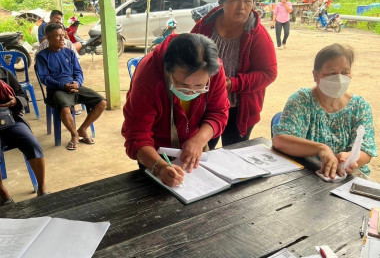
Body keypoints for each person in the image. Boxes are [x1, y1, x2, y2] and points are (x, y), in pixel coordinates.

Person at [122, 33, 230, 187]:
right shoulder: (148, 76)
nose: (191, 92)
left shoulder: (214, 69)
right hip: (154, 151)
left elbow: (218, 113)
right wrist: (159, 168)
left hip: (194, 147)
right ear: (168, 70)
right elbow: (137, 135)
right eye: (183, 85)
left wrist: (199, 140)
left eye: (200, 86)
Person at [191, 0, 277, 150]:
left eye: (247, 1)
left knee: (234, 158)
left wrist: (234, 83)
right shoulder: (205, 27)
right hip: (205, 105)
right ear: (222, 1)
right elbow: (188, 58)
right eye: (235, 1)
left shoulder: (257, 34)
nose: (242, 6)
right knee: (201, 154)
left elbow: (269, 73)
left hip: (239, 110)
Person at [272, 44, 377, 179]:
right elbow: (281, 141)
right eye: (332, 73)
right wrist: (321, 149)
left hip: (347, 178)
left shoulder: (359, 106)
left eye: (345, 72)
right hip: (307, 176)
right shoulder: (301, 101)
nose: (339, 79)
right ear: (316, 75)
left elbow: (366, 151)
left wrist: (349, 159)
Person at [35, 23, 107, 151]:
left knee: (101, 102)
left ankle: (82, 129)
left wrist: (77, 83)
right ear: (48, 38)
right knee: (65, 109)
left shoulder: (69, 52)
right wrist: (64, 86)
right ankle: (74, 135)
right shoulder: (42, 56)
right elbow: (44, 78)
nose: (62, 39)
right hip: (56, 90)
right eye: (57, 36)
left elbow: (78, 72)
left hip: (74, 86)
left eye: (63, 35)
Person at [0, 66, 48, 205]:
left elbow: (23, 96)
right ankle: (3, 194)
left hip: (9, 118)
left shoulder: (4, 73)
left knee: (31, 142)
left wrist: (16, 101)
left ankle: (42, 188)